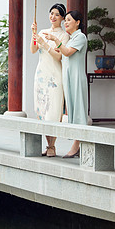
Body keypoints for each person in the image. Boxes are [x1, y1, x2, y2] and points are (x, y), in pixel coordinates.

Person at [45, 10, 88, 158]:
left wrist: (56, 40)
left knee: (79, 111)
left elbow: (68, 52)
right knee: (73, 111)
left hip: (76, 78)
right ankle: (77, 144)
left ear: (77, 22)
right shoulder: (71, 38)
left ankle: (77, 145)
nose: (66, 22)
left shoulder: (80, 37)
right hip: (69, 78)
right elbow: (62, 52)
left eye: (69, 20)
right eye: (66, 20)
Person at [30, 3, 69, 157]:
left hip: (55, 75)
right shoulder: (42, 31)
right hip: (41, 74)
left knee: (53, 110)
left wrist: (44, 43)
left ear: (62, 18)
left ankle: (52, 146)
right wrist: (33, 34)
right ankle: (49, 145)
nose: (53, 17)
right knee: (42, 110)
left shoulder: (64, 35)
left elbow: (59, 56)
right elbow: (33, 50)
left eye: (57, 14)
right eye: (51, 13)